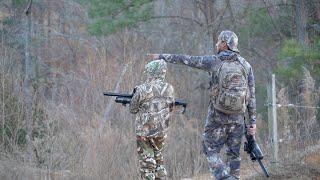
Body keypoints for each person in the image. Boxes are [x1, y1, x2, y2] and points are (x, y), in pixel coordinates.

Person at [147, 30, 257, 180]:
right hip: (238, 118)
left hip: (217, 117)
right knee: (234, 155)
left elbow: (186, 59)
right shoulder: (246, 65)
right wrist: (253, 123)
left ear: (224, 44)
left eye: (219, 41)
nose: (217, 43)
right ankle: (232, 178)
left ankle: (224, 177)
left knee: (209, 147)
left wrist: (160, 57)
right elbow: (252, 96)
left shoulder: (214, 61)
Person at [129, 59, 175, 180]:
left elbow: (133, 109)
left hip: (144, 133)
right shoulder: (169, 88)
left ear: (151, 72)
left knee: (147, 165)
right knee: (159, 162)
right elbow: (171, 107)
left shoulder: (142, 89)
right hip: (161, 132)